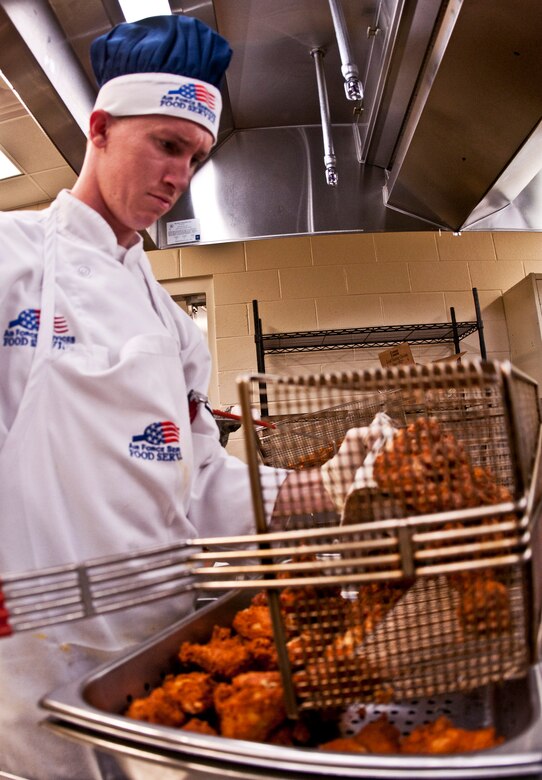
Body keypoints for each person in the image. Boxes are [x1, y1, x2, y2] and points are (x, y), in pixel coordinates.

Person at [0, 13, 352, 779]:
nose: (178, 177)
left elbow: (202, 480)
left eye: (194, 156)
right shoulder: (13, 260)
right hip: (31, 648)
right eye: (165, 144)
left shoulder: (170, 321)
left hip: (160, 643)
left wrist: (329, 486)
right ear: (99, 128)